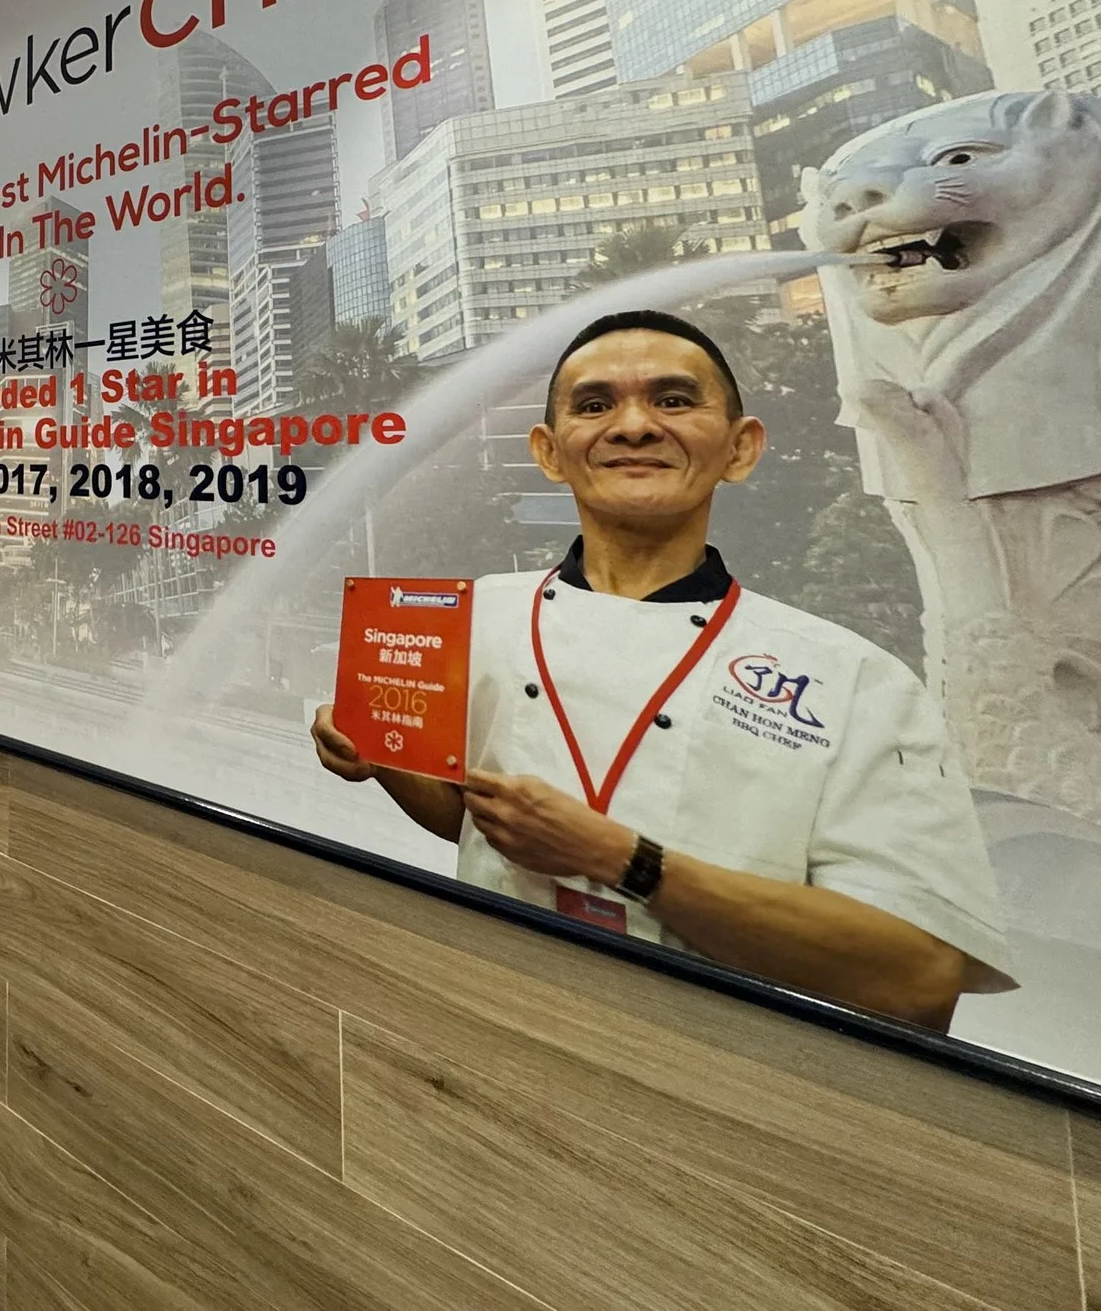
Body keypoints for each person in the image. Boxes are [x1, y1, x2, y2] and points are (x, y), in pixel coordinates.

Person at [308, 309, 1012, 1030]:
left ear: (741, 449)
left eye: (674, 400)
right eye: (593, 404)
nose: (634, 425)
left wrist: (623, 859)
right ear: (550, 452)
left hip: (723, 1082)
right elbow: (473, 827)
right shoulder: (473, 615)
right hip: (495, 1024)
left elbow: (918, 977)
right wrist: (382, 752)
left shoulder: (856, 678)